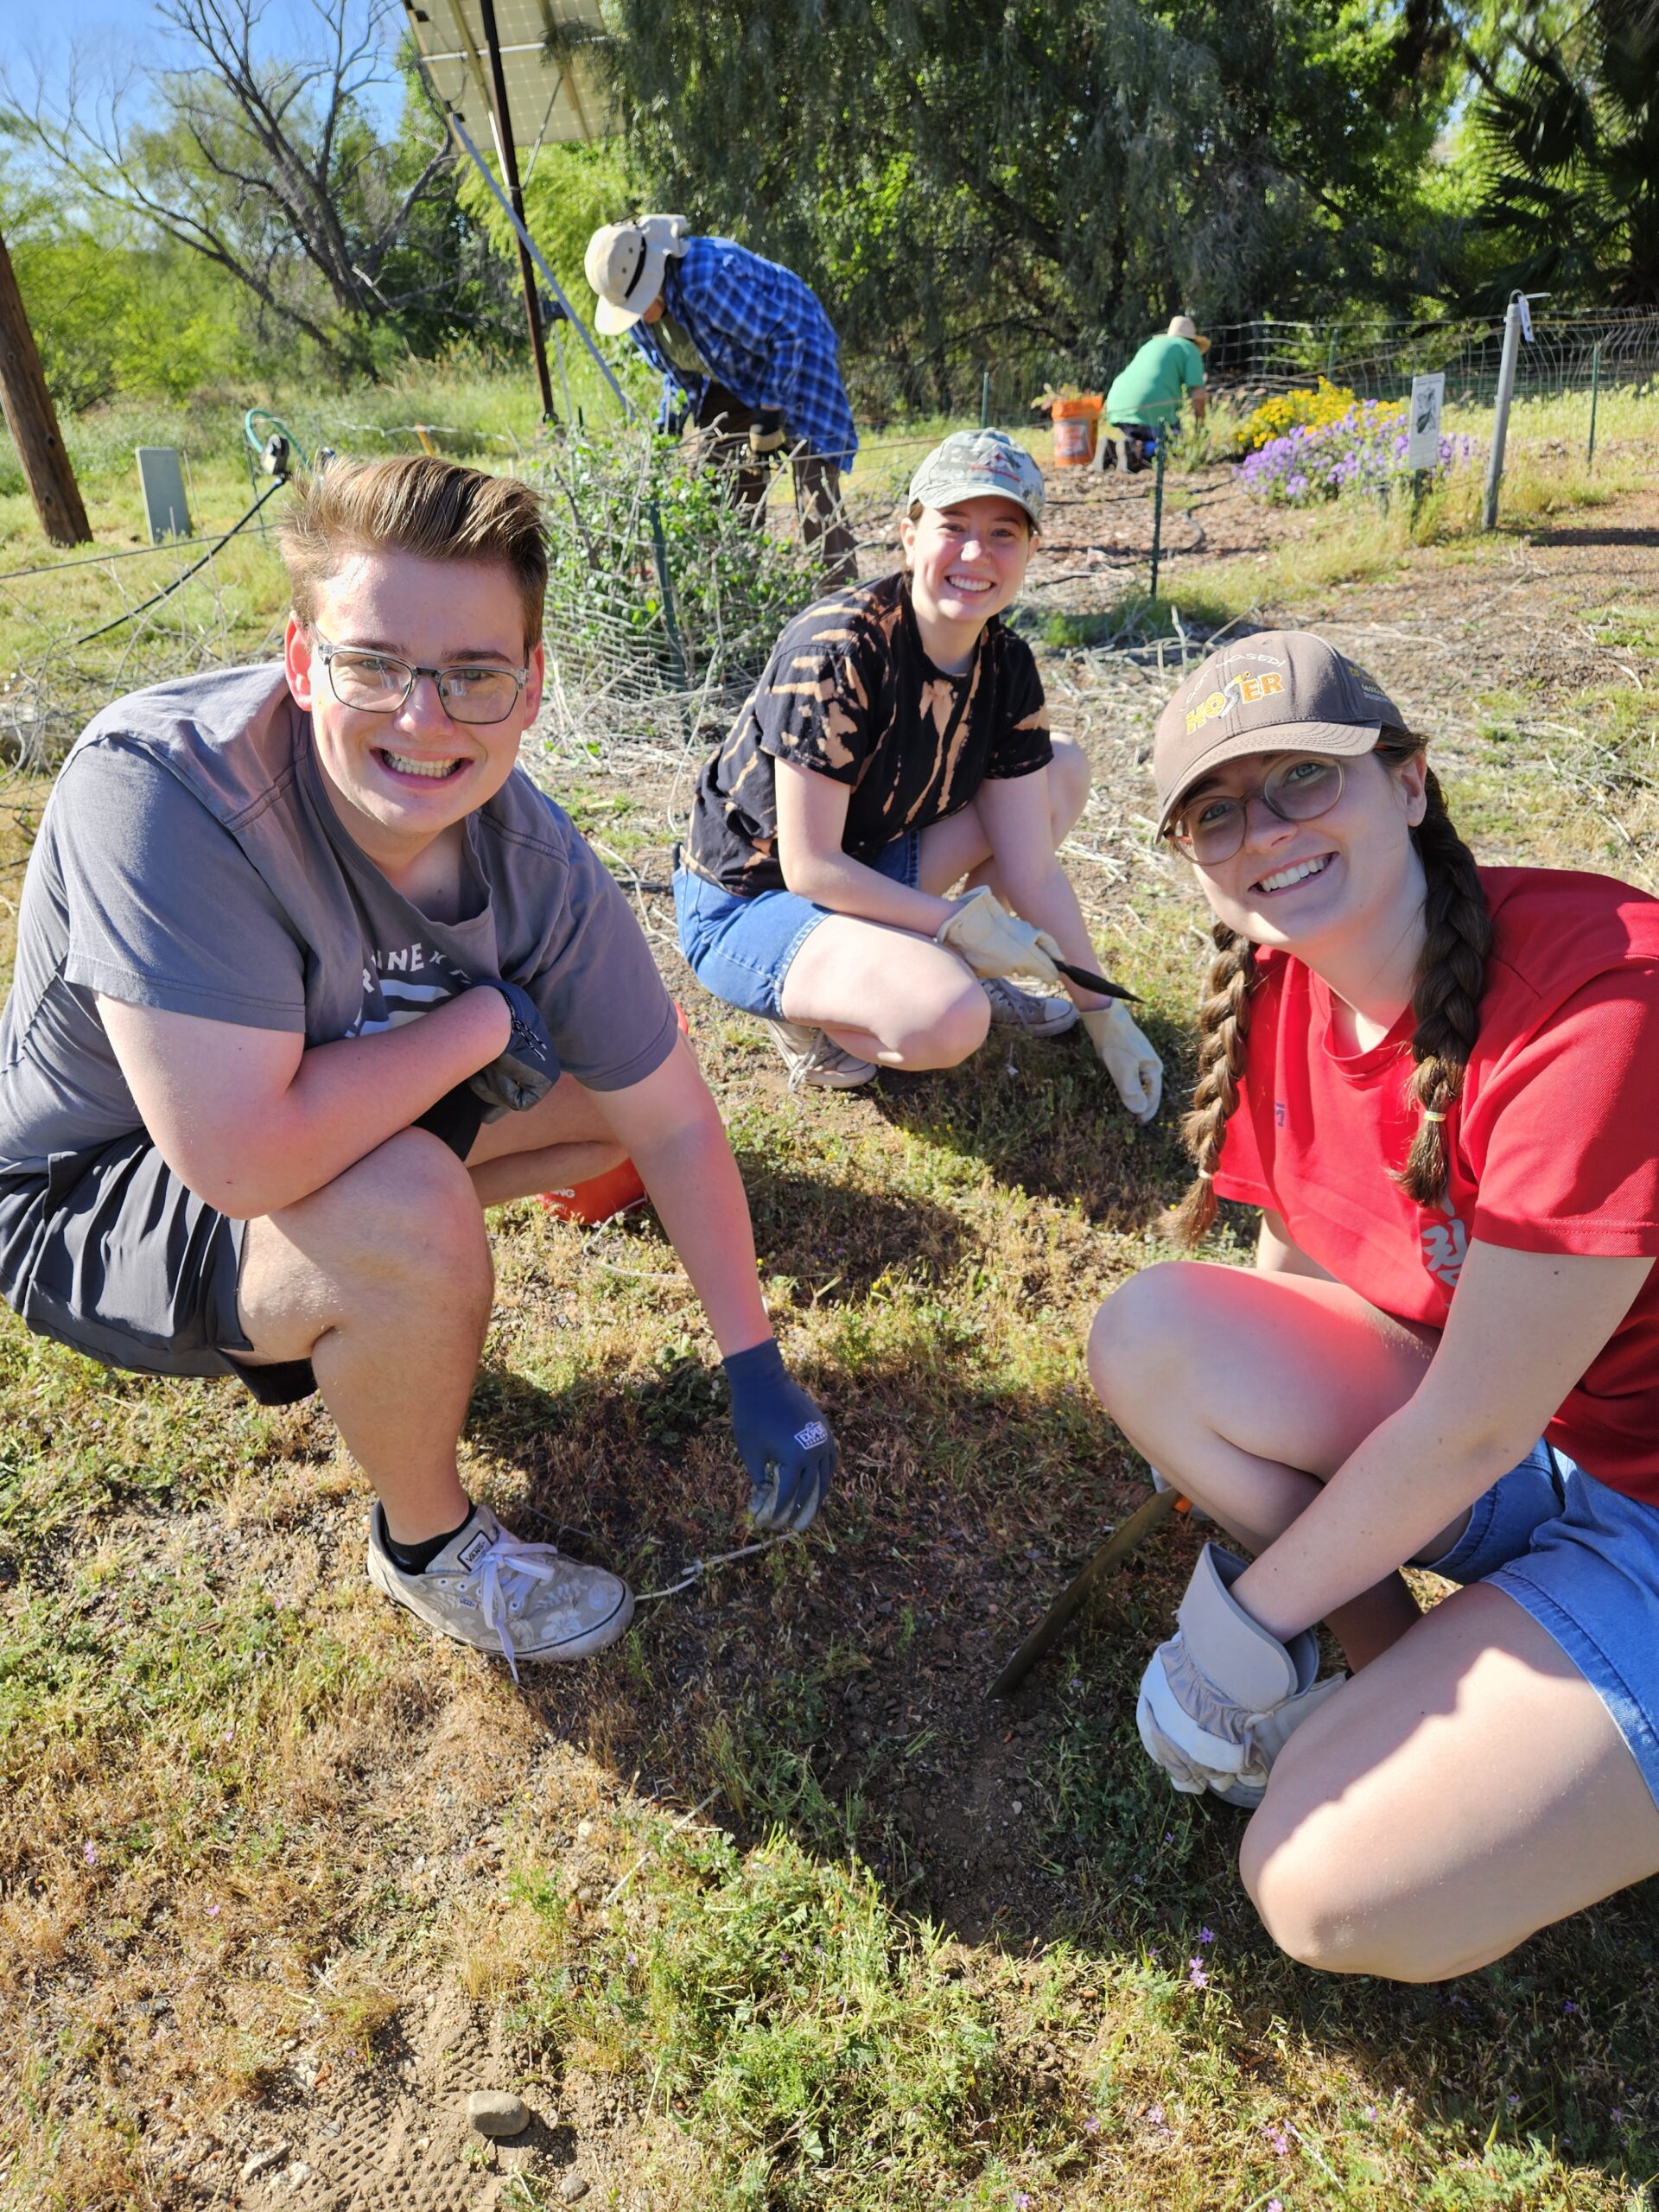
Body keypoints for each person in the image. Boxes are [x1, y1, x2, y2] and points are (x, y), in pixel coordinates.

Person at [0, 456, 836, 1679]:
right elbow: (240, 1160)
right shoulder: (164, 788)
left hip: (289, 1123)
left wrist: (754, 1363)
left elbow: (671, 1119)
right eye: (374, 664)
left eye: (474, 675)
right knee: (408, 1211)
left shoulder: (536, 858)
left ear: (533, 687)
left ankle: (363, 1294)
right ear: (301, 659)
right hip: (90, 1191)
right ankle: (428, 1538)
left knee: (599, 1099)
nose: (422, 718)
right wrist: (479, 1027)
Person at [1086, 629, 1659, 1983]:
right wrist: (1289, 1576)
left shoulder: (1599, 1001)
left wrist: (1245, 1624)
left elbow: (1461, 1432)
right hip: (1540, 1434)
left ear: (1409, 781)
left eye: (1303, 781)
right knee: (1153, 1339)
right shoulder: (1289, 983)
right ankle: (1422, 1684)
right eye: (1217, 812)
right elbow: (1297, 1286)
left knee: (1321, 1889)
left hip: (1613, 1496)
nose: (1263, 833)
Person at [672, 429, 1163, 1116]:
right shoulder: (840, 651)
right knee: (950, 1016)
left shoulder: (1008, 665)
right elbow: (809, 868)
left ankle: (924, 963)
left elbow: (1033, 868)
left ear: (1031, 551)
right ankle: (811, 1019)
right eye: (952, 526)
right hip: (750, 898)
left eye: (1002, 533)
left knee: (1062, 773)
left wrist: (1103, 1010)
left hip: (867, 863)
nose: (975, 553)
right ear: (908, 535)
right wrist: (955, 925)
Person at [584, 215, 858, 584]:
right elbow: (677, 376)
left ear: (653, 277)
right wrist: (666, 431)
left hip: (799, 352)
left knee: (816, 491)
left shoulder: (710, 279)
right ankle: (736, 592)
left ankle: (842, 602)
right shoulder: (638, 320)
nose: (638, 316)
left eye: (639, 303)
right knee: (718, 480)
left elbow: (787, 337)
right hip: (733, 373)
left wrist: (770, 413)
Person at [1101, 313, 1210, 473]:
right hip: (1150, 407)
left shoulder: (1152, 344)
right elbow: (1198, 393)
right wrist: (1200, 427)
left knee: (1144, 432)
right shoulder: (1189, 349)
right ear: (1193, 340)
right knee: (1174, 445)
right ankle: (1138, 451)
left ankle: (1113, 447)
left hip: (1117, 405)